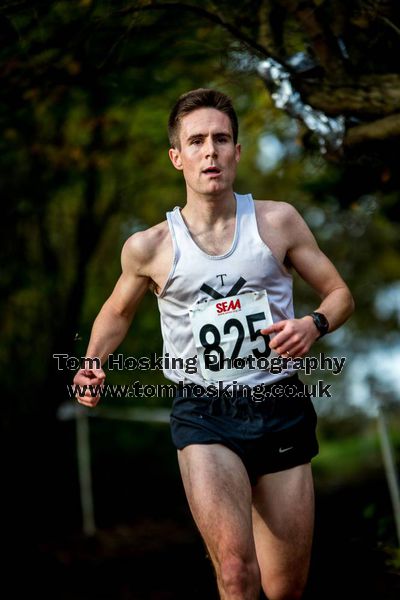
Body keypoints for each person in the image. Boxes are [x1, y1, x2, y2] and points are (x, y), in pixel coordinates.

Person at [74, 88, 354, 600]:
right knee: (234, 573)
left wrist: (313, 324)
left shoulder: (277, 222)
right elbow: (117, 311)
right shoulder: (149, 247)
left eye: (221, 139)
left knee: (285, 587)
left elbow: (340, 295)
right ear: (176, 157)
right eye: (197, 141)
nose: (211, 151)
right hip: (203, 409)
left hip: (279, 402)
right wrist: (92, 364)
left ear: (237, 152)